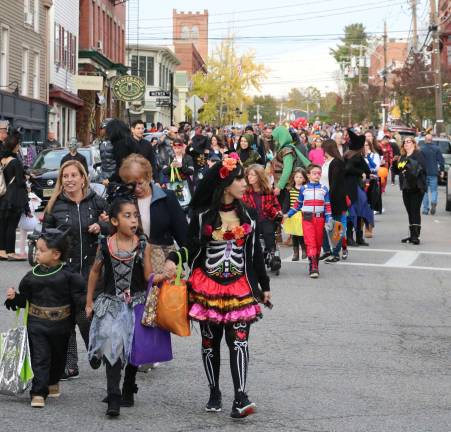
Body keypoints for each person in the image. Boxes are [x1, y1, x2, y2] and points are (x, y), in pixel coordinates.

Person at [170, 153, 271, 419]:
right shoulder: (204, 217)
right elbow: (191, 247)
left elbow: (255, 254)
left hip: (239, 287)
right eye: (239, 179)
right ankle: (214, 391)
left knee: (239, 342)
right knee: (209, 342)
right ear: (225, 185)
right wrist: (173, 260)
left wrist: (264, 285)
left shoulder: (247, 215)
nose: (244, 183)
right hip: (207, 287)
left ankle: (240, 396)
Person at [85, 198, 167, 417]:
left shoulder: (143, 245)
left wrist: (161, 276)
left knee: (132, 348)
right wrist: (89, 301)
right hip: (111, 304)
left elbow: (148, 274)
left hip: (136, 303)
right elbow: (95, 272)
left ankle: (128, 388)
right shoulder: (105, 244)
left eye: (135, 215)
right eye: (127, 216)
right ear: (114, 220)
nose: (133, 220)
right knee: (113, 348)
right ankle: (114, 396)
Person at [5, 228, 85, 408]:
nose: (37, 254)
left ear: (56, 254)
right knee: (40, 357)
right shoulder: (31, 277)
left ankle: (52, 382)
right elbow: (24, 300)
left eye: (41, 250)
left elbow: (79, 300)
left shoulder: (70, 276)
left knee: (58, 358)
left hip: (62, 326)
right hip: (37, 324)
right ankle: (38, 391)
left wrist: (87, 308)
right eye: (37, 250)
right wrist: (14, 298)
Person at [43, 160, 108, 379]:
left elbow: (116, 221)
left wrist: (102, 225)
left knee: (85, 315)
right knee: (65, 319)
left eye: (73, 175)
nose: (69, 180)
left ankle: (94, 350)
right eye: (65, 177)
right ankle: (70, 364)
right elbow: (45, 239)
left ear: (83, 178)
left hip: (91, 270)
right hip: (64, 271)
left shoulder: (96, 202)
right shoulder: (55, 205)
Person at [118, 154, 187, 271]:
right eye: (131, 185)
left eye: (140, 183)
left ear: (149, 177)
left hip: (164, 267)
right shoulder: (124, 201)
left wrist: (175, 258)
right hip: (133, 268)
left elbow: (185, 238)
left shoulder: (167, 198)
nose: (136, 189)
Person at [287, 164, 332, 278]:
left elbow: (327, 205)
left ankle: (315, 263)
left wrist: (329, 218)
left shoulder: (324, 189)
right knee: (310, 242)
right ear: (308, 175)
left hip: (320, 219)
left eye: (319, 173)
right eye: (314, 173)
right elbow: (298, 204)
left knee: (318, 243)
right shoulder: (304, 188)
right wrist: (288, 214)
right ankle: (313, 267)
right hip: (307, 218)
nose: (317, 175)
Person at [242, 164, 282, 272]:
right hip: (251, 220)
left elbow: (276, 206)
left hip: (266, 218)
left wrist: (277, 213)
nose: (249, 177)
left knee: (268, 230)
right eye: (248, 175)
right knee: (252, 231)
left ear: (259, 177)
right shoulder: (244, 192)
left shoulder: (268, 191)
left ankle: (273, 255)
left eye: (252, 175)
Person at [0, 133, 29, 261]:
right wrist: (26, 179)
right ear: (15, 146)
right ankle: (11, 251)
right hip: (13, 197)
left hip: (2, 196)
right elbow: (20, 181)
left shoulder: (2, 160)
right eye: (18, 145)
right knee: (12, 225)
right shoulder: (15, 162)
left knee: (3, 225)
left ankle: (1, 251)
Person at [393, 137, 427, 244]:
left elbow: (422, 168)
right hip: (406, 187)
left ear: (413, 143)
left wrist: (409, 167)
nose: (406, 143)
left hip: (416, 187)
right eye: (405, 142)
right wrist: (394, 164)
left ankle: (416, 236)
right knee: (409, 211)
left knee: (415, 210)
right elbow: (397, 170)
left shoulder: (418, 154)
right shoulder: (402, 157)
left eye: (409, 141)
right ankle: (412, 235)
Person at [319, 139, 348, 263]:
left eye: (323, 149)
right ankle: (327, 250)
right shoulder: (326, 162)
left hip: (333, 199)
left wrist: (328, 200)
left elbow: (335, 184)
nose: (322, 151)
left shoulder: (337, 163)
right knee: (322, 225)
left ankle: (336, 253)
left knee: (335, 226)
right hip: (323, 197)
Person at [344, 129, 373, 247]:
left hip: (354, 187)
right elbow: (348, 169)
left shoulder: (352, 156)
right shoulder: (354, 157)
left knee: (357, 212)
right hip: (352, 188)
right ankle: (352, 238)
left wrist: (366, 173)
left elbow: (367, 169)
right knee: (355, 212)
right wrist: (361, 173)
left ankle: (357, 237)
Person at [271, 126, 310, 202]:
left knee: (284, 210)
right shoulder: (285, 148)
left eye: (276, 138)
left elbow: (287, 169)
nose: (274, 140)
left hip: (285, 186)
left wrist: (279, 186)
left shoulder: (287, 150)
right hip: (283, 185)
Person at [282, 168, 308, 261]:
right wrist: (285, 213)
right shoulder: (290, 190)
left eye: (301, 177)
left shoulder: (305, 190)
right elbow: (286, 202)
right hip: (292, 215)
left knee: (301, 234)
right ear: (293, 178)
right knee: (294, 235)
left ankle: (304, 249)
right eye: (296, 177)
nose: (298, 179)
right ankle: (295, 253)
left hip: (302, 214)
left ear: (304, 179)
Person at [420, 134, 445, 215]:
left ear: (425, 140)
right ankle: (433, 202)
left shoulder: (422, 149)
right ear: (432, 140)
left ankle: (425, 209)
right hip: (434, 173)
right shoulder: (437, 149)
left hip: (424, 173)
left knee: (425, 191)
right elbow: (441, 161)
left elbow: (419, 162)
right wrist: (442, 171)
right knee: (434, 190)